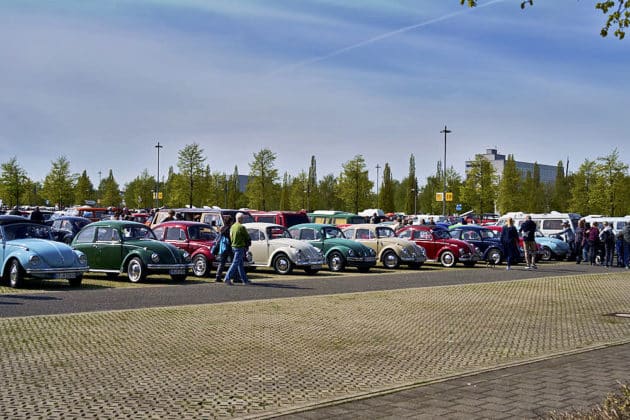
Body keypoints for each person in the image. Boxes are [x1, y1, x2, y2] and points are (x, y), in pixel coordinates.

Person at [223, 212, 251, 285]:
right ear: (240, 219)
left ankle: (245, 280)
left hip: (233, 246)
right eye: (243, 218)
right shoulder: (241, 227)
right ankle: (227, 278)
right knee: (235, 263)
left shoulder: (232, 226)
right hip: (239, 247)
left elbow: (231, 236)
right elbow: (247, 237)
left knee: (240, 264)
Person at [214, 216, 234, 283]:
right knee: (233, 262)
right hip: (229, 247)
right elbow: (231, 238)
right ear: (230, 222)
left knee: (222, 263)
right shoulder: (230, 229)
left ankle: (218, 276)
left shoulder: (222, 228)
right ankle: (234, 276)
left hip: (222, 247)